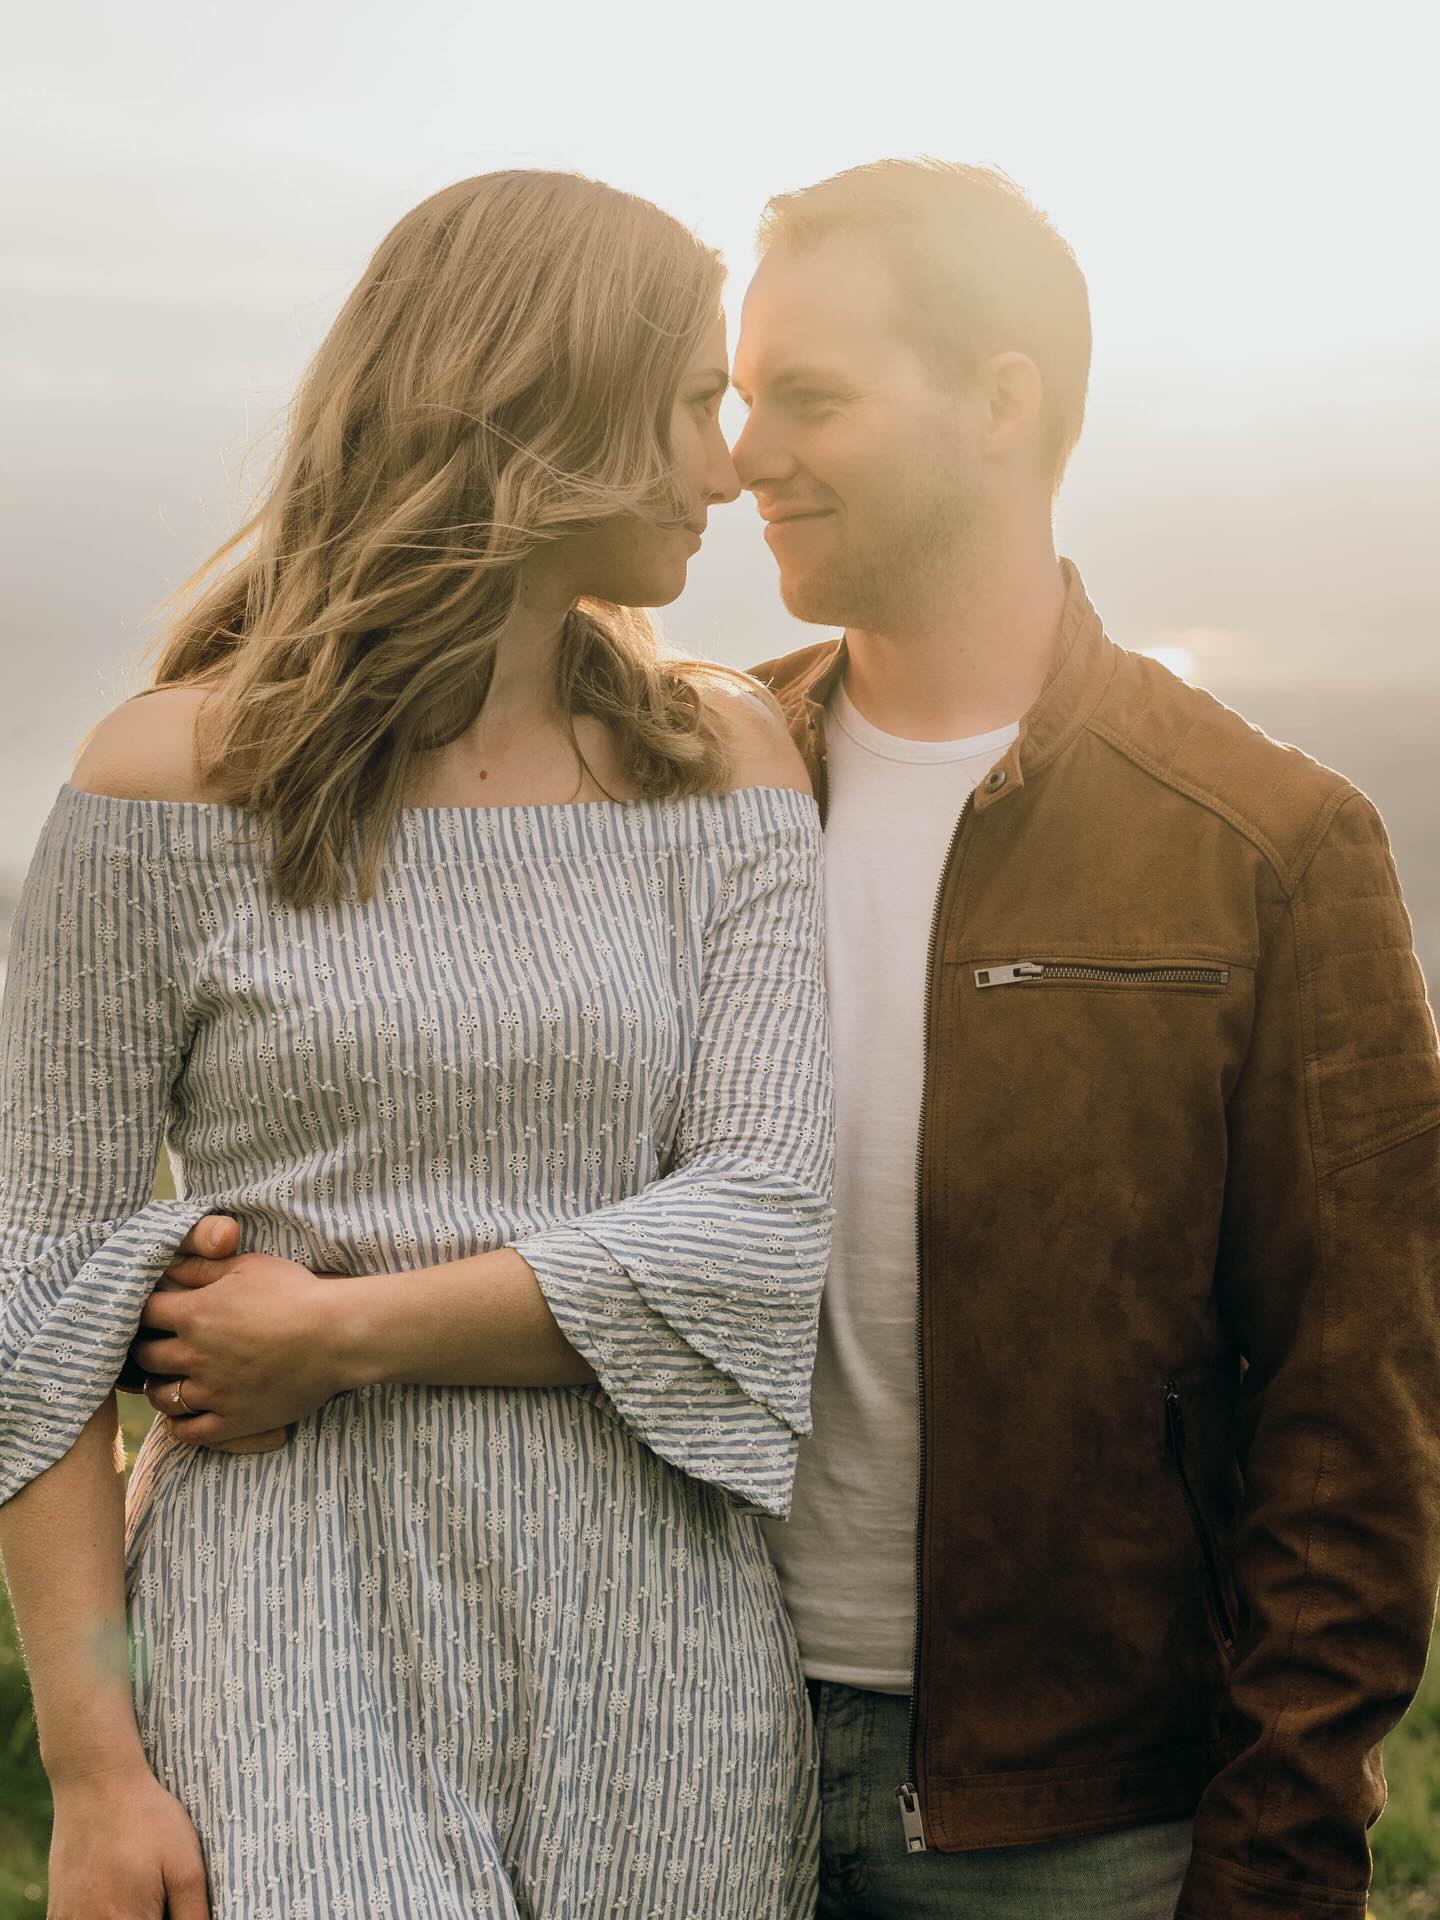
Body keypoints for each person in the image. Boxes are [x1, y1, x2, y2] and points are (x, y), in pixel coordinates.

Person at [0, 169, 833, 1919]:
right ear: (548, 404)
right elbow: (38, 1295)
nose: (733, 458)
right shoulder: (152, 786)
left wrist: (337, 1333)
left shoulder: (721, 768)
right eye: (696, 401)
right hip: (286, 1607)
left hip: (655, 1630)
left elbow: (762, 1226)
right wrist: (94, 1771)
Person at [728, 160, 1440, 1919]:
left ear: (1000, 402)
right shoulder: (684, 786)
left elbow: (1359, 1430)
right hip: (680, 1758)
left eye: (808, 396)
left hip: (1088, 1830)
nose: (745, 452)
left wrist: (1276, 1868)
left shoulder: (1272, 845)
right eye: (741, 399)